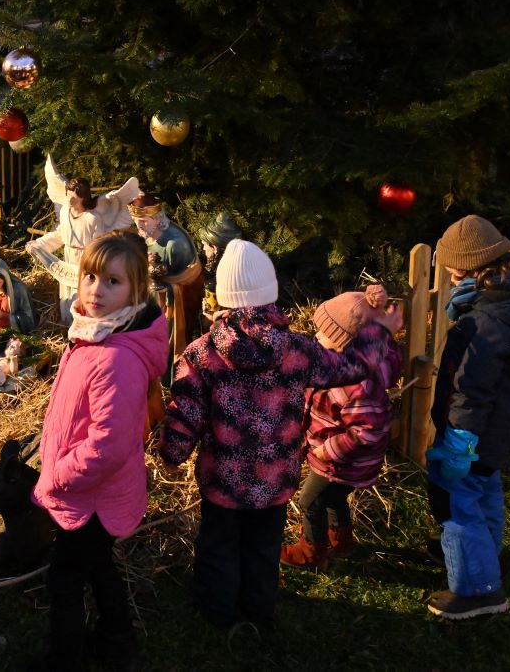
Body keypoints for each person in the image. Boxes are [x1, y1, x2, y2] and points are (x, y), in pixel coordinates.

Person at [158, 239, 401, 629]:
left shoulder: (201, 354)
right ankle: (259, 609)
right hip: (275, 483)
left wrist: (171, 455)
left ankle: (217, 611)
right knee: (263, 547)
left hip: (223, 483)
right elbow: (351, 367)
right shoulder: (299, 350)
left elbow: (185, 414)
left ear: (220, 298)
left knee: (218, 545)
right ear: (272, 294)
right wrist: (379, 332)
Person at [32, 231, 169, 671]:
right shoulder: (94, 335)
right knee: (97, 566)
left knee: (65, 580)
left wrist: (57, 476)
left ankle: (66, 658)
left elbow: (106, 445)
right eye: (90, 276)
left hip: (91, 495)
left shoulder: (116, 357)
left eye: (113, 282)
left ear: (136, 290)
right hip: (91, 491)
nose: (95, 290)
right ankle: (118, 642)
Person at [425, 215, 510, 620]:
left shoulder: (483, 322)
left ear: (471, 269)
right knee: (485, 487)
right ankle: (484, 552)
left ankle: (478, 589)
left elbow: (472, 390)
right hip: (505, 428)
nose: (449, 277)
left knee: (456, 501)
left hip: (475, 432)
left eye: (452, 270)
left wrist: (457, 440)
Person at [280, 285, 401, 569]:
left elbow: (366, 430)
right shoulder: (341, 369)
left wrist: (328, 451)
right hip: (344, 461)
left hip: (341, 462)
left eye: (323, 334)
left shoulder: (356, 386)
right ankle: (341, 541)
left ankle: (311, 553)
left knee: (310, 500)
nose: (317, 338)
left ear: (345, 344)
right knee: (332, 498)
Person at [28, 156, 141, 325]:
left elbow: (99, 244)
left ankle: (84, 326)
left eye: (74, 197)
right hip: (68, 257)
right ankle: (66, 326)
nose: (69, 200)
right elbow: (60, 235)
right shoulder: (66, 212)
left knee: (84, 295)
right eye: (68, 195)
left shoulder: (92, 218)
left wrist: (93, 266)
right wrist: (40, 244)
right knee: (67, 296)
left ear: (83, 198)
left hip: (85, 259)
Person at [129, 194, 205, 358]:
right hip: (151, 300)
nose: (139, 225)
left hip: (173, 308)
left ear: (157, 219)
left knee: (164, 344)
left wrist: (163, 287)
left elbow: (188, 282)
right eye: (136, 220)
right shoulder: (146, 234)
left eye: (144, 220)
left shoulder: (175, 245)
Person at [197, 212, 242, 318]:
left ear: (215, 248)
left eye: (204, 245)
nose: (203, 249)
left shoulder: (214, 284)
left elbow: (215, 319)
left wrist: (209, 313)